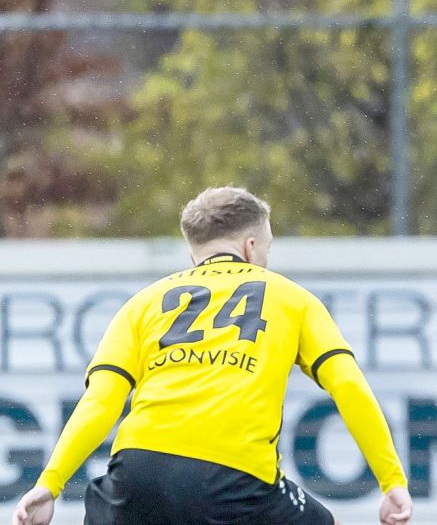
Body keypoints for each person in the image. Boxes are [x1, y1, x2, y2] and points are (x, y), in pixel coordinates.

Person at [11, 186, 413, 525]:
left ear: (193, 255)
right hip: (232, 479)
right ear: (251, 246)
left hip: (135, 478)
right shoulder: (293, 299)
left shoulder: (142, 304)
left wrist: (50, 484)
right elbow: (348, 386)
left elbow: (100, 401)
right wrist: (391, 481)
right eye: (268, 249)